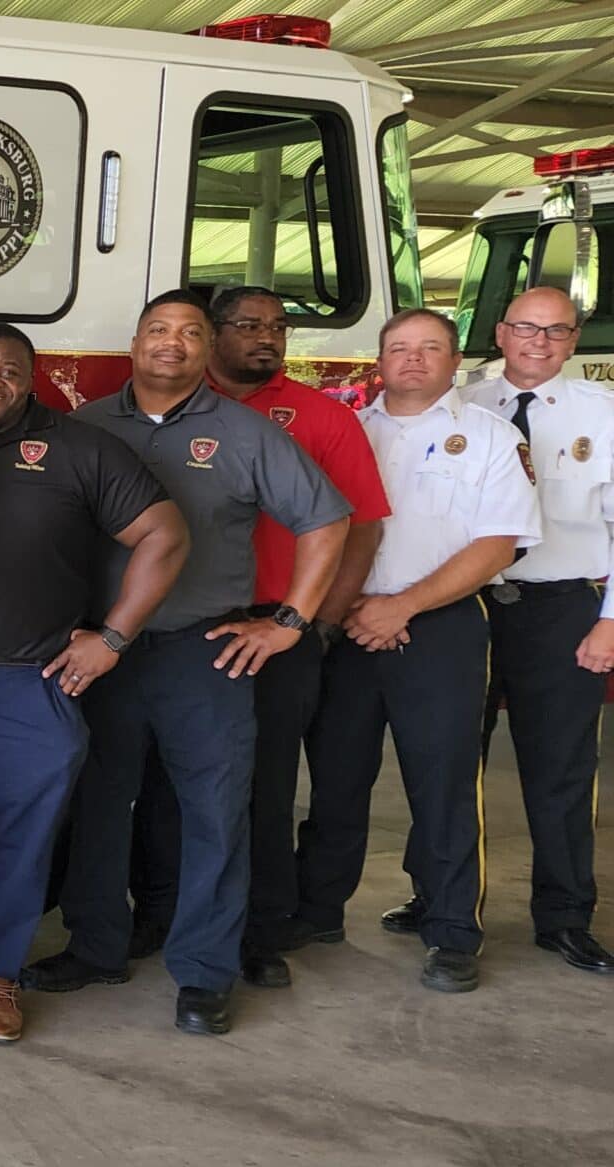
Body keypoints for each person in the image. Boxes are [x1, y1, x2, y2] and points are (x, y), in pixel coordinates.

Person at [31, 291, 350, 1037]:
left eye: (189, 333)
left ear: (208, 349)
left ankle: (204, 971)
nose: (171, 344)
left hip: (201, 654)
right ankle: (98, 944)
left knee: (214, 811)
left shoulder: (243, 432)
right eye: (157, 330)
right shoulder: (85, 427)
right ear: (135, 341)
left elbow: (327, 518)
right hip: (99, 651)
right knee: (100, 805)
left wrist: (290, 623)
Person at [0, 323, 185, 1045]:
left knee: (16, 841)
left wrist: (112, 637)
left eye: (11, 369)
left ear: (32, 375)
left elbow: (166, 532)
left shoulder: (78, 447)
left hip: (27, 682)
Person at [130, 286, 391, 987]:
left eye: (276, 327)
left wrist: (309, 622)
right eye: (247, 325)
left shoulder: (316, 416)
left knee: (259, 788)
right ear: (213, 336)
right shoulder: (150, 413)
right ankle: (159, 913)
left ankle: (256, 929)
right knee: (159, 788)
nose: (265, 338)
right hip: (185, 629)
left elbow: (356, 522)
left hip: (272, 624)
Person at [293, 308, 539, 993]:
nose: (412, 359)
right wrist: (353, 611)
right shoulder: (346, 430)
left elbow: (498, 542)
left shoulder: (489, 436)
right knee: (335, 779)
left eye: (429, 348)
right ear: (378, 358)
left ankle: (453, 928)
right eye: (399, 347)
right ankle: (316, 912)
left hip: (442, 628)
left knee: (445, 783)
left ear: (453, 358)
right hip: (346, 625)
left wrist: (403, 605)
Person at [453, 287, 614, 975]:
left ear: (575, 340)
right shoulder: (458, 404)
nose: (539, 342)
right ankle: (444, 901)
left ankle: (565, 915)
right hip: (468, 606)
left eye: (556, 331)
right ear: (501, 331)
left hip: (562, 610)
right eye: (526, 327)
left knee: (561, 771)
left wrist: (610, 622)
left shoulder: (602, 415)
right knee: (453, 764)